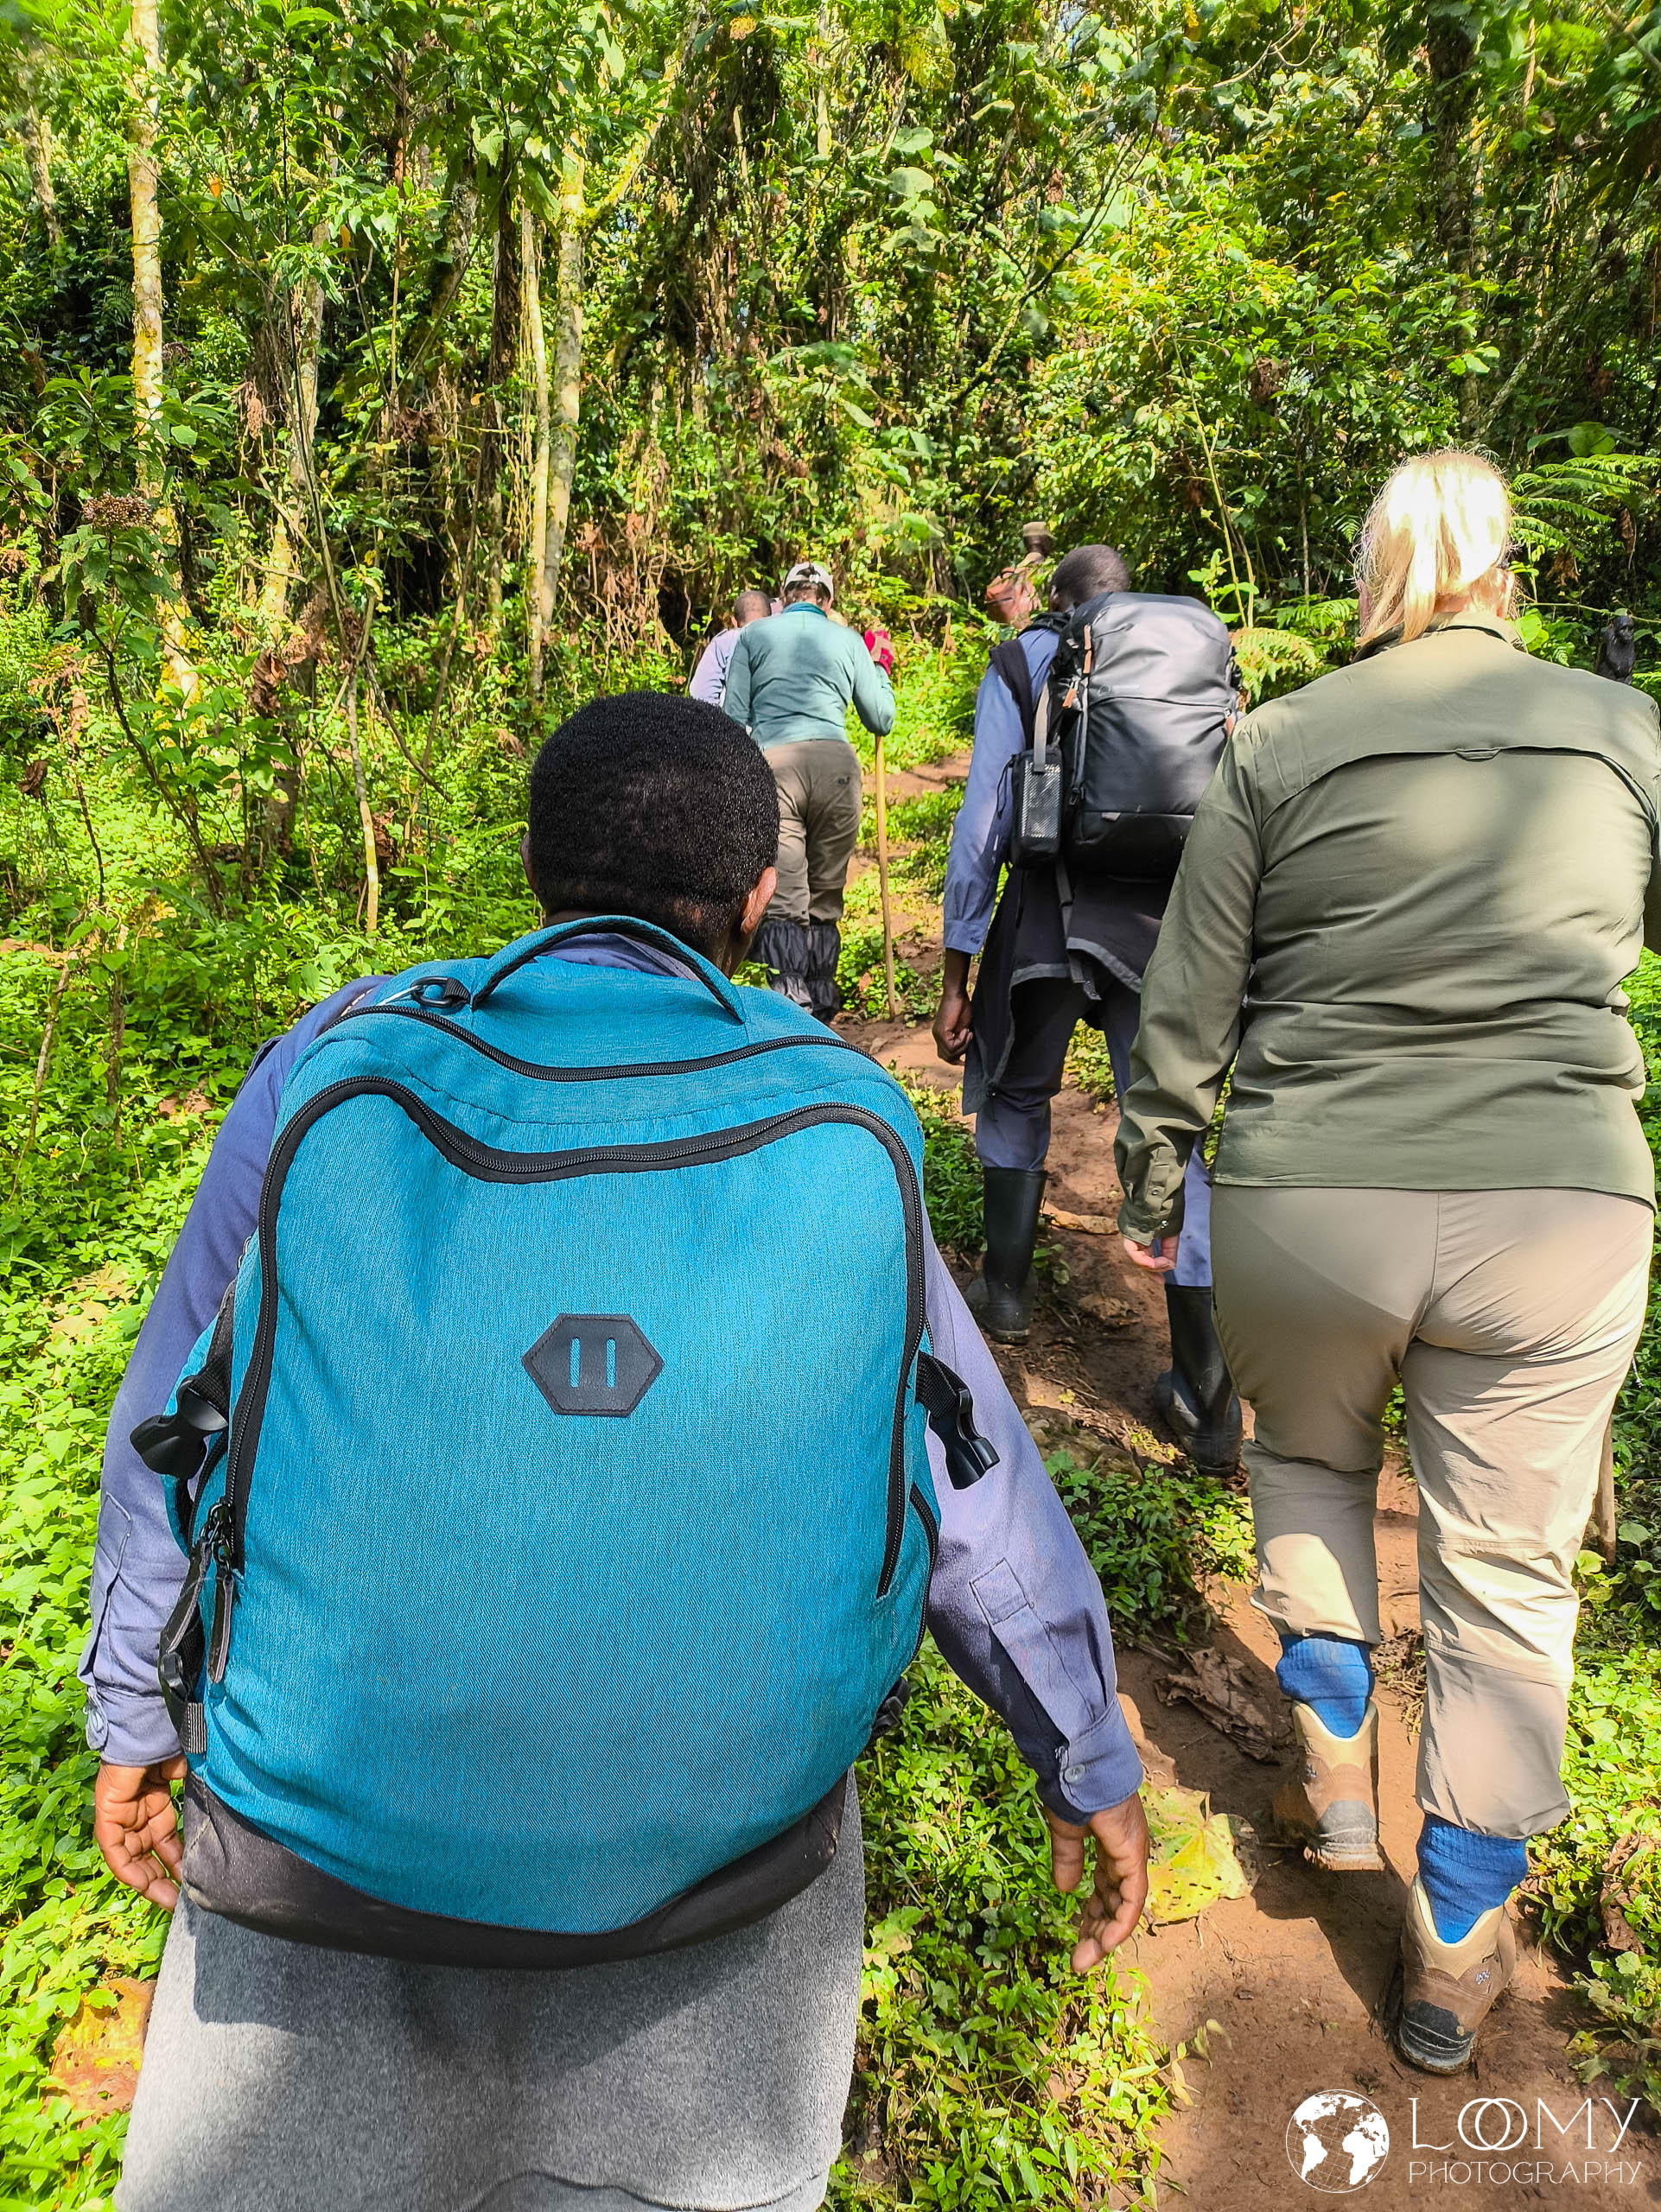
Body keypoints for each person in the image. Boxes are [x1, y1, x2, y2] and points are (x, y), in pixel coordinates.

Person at [86, 691, 1150, 2212]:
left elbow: (173, 1427)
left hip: (326, 1870)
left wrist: (136, 1708)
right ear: (759, 901)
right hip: (716, 1909)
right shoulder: (828, 1109)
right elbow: (964, 1482)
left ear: (534, 871)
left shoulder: (337, 1064)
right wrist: (1081, 1752)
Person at [1113, 448, 1661, 2075]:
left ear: (1368, 573)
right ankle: (1454, 1940)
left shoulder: (1276, 741)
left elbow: (1190, 995)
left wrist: (1154, 1166)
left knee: (1304, 1460)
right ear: (1511, 568)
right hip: (1557, 1209)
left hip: (1310, 1196)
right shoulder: (1623, 731)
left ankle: (1337, 1788)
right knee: (1507, 1574)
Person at [933, 543, 1239, 1473]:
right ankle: (1204, 1392)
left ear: (1060, 603)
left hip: (1038, 926)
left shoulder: (1025, 656)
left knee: (1019, 1093)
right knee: (1166, 1133)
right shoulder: (1197, 653)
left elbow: (986, 814)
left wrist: (956, 969)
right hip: (1160, 926)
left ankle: (1007, 1294)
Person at [722, 559, 895, 1022]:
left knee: (785, 893)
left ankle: (790, 1003)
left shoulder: (754, 637)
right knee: (825, 892)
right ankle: (823, 1003)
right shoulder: (849, 640)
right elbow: (880, 719)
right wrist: (881, 669)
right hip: (836, 769)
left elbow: (731, 719)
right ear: (828, 601)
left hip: (775, 766)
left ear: (784, 597)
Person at [688, 587, 773, 709]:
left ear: (734, 621)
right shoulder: (783, 640)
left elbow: (701, 694)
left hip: (732, 723)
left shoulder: (725, 642)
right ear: (771, 619)